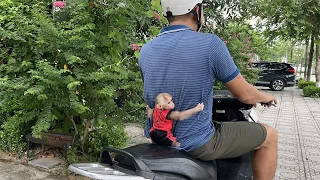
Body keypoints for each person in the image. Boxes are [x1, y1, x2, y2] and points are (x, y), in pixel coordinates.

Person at [138, 0, 278, 179]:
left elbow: (154, 95)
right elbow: (245, 94)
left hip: (155, 138)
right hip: (196, 143)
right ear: (196, 10)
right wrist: (265, 96)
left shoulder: (146, 50)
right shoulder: (210, 43)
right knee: (270, 136)